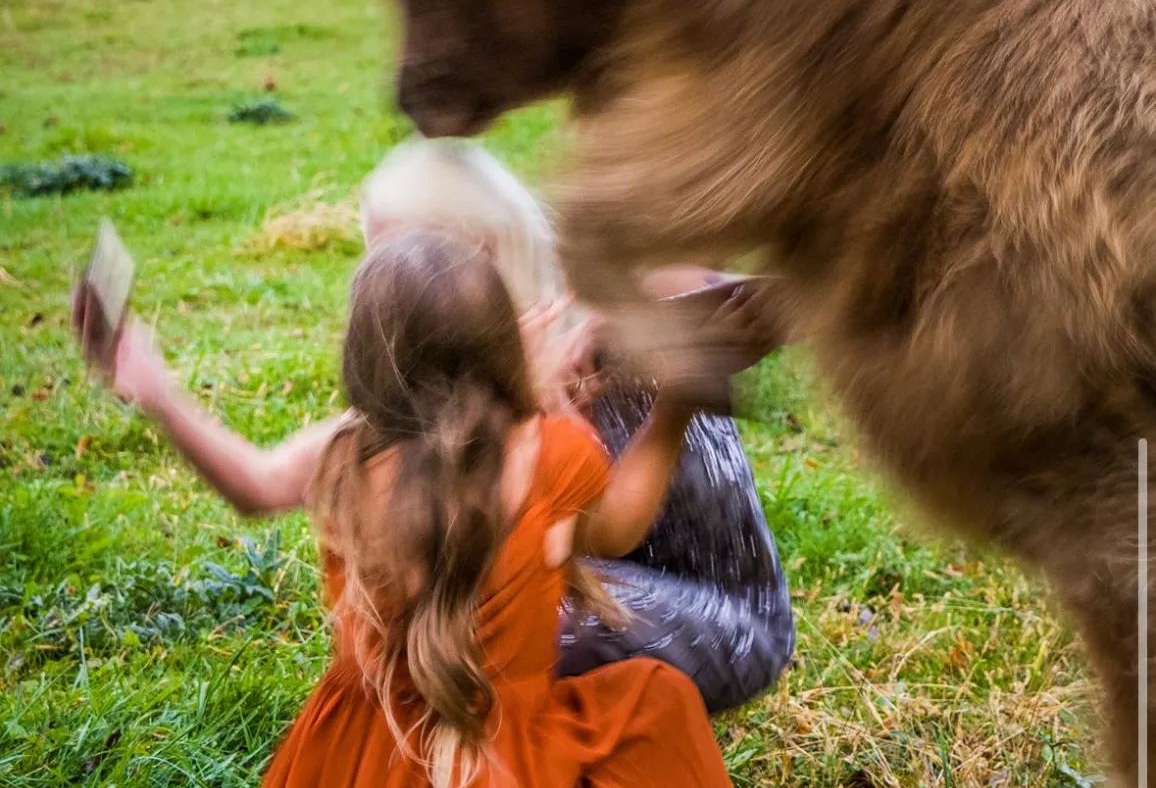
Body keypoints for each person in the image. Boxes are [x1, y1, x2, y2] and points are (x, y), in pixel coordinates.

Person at [204, 228, 849, 788]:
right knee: (651, 705)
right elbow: (621, 528)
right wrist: (669, 410)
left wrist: (147, 382)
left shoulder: (346, 458)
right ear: (504, 347)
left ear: (367, 357)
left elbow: (245, 477)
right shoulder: (550, 454)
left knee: (620, 710)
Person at [74, 138, 795, 715]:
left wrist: (624, 341)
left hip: (724, 618)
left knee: (470, 622)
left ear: (482, 254)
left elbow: (710, 283)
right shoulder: (448, 389)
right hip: (609, 573)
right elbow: (268, 482)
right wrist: (158, 392)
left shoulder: (581, 327)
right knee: (447, 617)